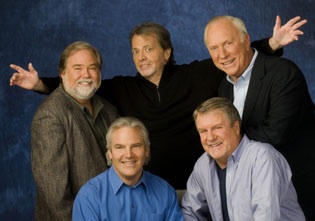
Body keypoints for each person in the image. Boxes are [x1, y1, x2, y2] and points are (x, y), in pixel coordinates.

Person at [9, 16, 306, 190]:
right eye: (136, 51)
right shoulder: (123, 88)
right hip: (151, 192)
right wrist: (40, 84)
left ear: (166, 53)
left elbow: (232, 54)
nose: (141, 57)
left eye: (148, 49)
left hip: (204, 187)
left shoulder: (196, 75)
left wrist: (273, 43)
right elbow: (83, 85)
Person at [204, 15, 315, 219]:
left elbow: (275, 135)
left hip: (297, 192)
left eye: (228, 43)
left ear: (246, 41)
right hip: (254, 196)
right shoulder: (224, 87)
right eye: (214, 48)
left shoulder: (283, 73)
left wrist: (224, 140)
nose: (222, 54)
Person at [30, 41, 118, 221]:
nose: (86, 74)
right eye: (77, 68)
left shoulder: (109, 110)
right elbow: (55, 194)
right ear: (62, 73)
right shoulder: (50, 115)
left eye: (92, 68)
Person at [181, 97, 305, 220]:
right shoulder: (203, 165)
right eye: (203, 131)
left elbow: (266, 217)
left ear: (236, 128)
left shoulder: (262, 158)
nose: (210, 137)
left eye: (217, 128)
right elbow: (190, 212)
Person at [72, 117, 183, 221]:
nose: (129, 155)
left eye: (136, 146)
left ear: (147, 151)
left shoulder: (165, 192)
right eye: (120, 147)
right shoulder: (89, 197)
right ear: (110, 153)